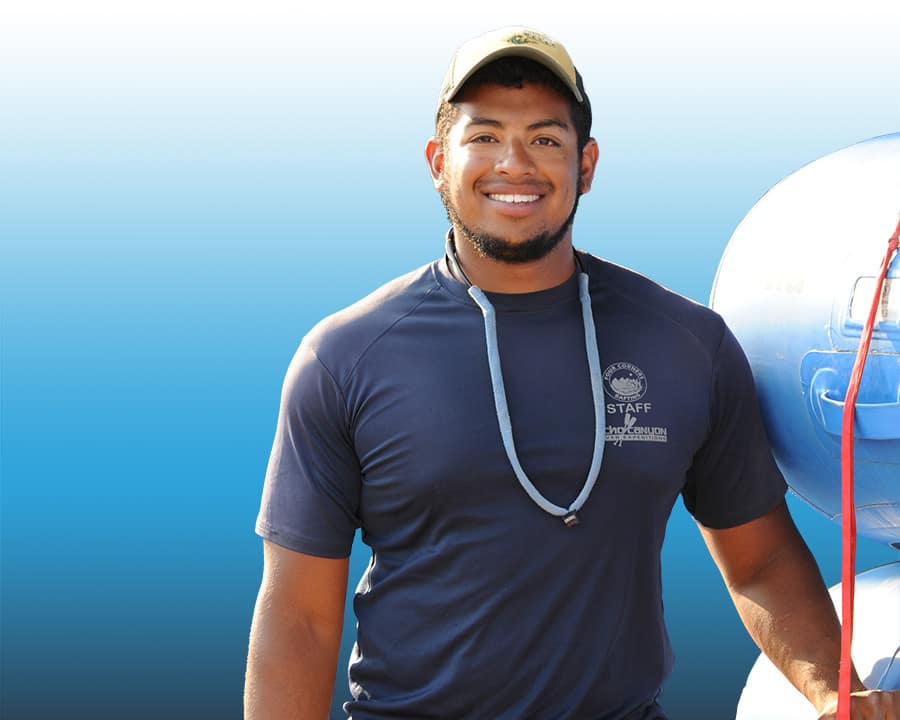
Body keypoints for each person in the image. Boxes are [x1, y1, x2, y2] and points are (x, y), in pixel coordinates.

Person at [244, 26, 898, 720]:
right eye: (485, 136)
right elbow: (300, 620)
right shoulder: (347, 358)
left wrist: (836, 691)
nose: (514, 163)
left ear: (586, 165)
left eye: (546, 139)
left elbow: (761, 563)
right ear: (439, 161)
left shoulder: (684, 344)